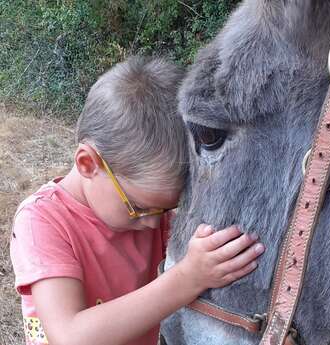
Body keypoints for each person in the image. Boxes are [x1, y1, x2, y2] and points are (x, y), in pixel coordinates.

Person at [10, 56, 265, 345]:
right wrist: (188, 278)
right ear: (87, 164)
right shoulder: (42, 222)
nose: (156, 223)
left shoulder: (146, 213)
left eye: (168, 209)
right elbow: (69, 336)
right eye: (139, 208)